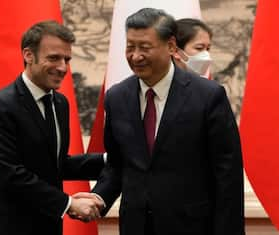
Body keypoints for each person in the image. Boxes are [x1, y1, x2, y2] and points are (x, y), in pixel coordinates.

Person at [91, 8, 245, 235]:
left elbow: (227, 175)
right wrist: (99, 198)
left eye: (145, 47)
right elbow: (117, 164)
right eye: (130, 47)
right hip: (136, 226)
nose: (135, 56)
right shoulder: (116, 97)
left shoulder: (208, 96)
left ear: (172, 46)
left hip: (192, 226)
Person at [0, 20, 105, 235]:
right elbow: (10, 174)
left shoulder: (60, 103)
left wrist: (108, 160)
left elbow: (55, 164)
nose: (63, 67)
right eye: (54, 58)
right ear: (28, 55)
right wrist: (69, 203)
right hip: (7, 228)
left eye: (67, 59)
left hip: (48, 227)